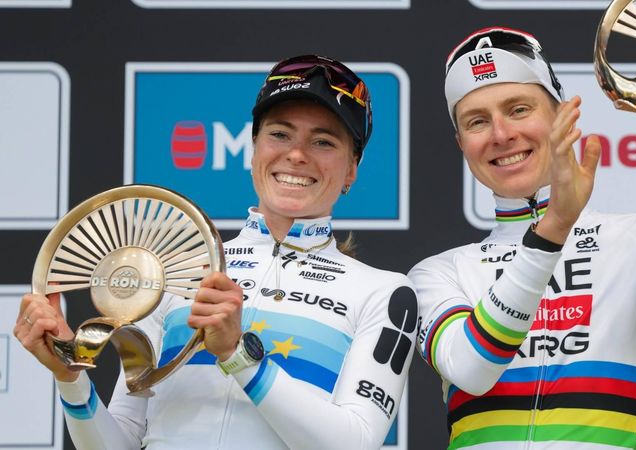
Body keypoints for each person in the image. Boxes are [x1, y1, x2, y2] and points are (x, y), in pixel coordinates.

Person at [14, 54, 418, 449]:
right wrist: (70, 378)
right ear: (254, 147)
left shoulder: (383, 292)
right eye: (279, 134)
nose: (297, 154)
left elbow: (355, 441)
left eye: (324, 141)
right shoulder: (175, 273)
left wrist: (237, 355)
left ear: (351, 169)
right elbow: (119, 441)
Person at [411, 27, 636, 449]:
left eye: (519, 109)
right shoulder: (439, 272)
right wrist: (553, 229)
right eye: (477, 121)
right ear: (461, 143)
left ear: (562, 113)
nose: (500, 134)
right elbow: (473, 369)